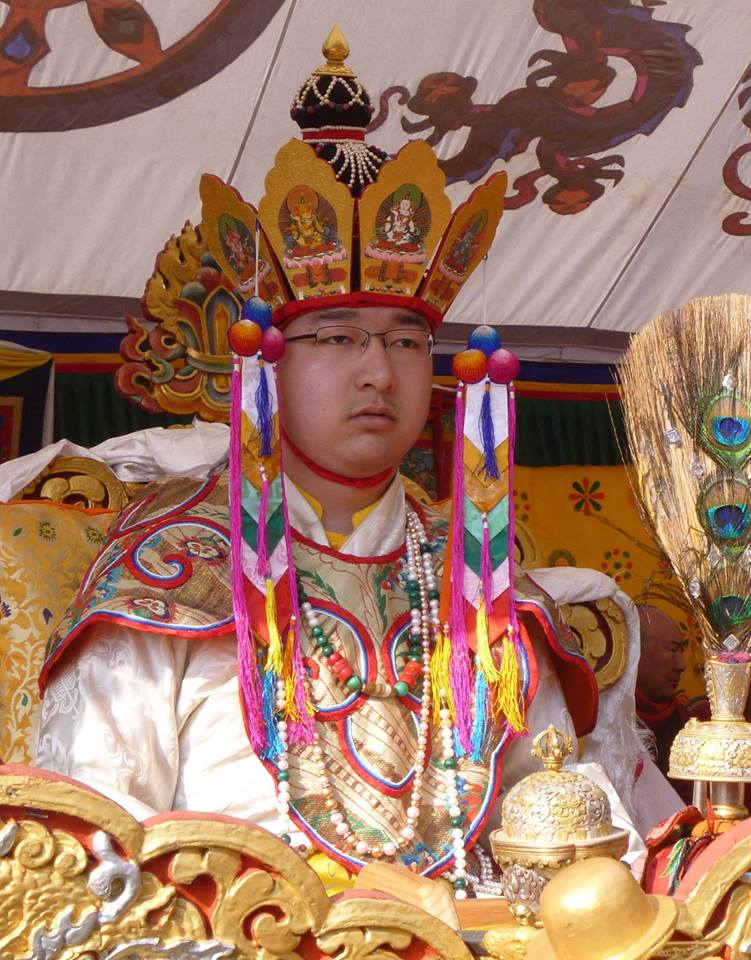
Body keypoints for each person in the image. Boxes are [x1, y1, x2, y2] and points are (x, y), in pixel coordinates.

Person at [33, 28, 646, 892]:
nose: (378, 372)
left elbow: (560, 810)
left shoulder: (478, 580)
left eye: (405, 341)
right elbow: (88, 861)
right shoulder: (168, 570)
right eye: (336, 337)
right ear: (262, 363)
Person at [635, 604, 703, 804]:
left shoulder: (685, 723)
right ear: (635, 652)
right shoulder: (606, 723)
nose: (682, 664)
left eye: (681, 651)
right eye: (672, 650)